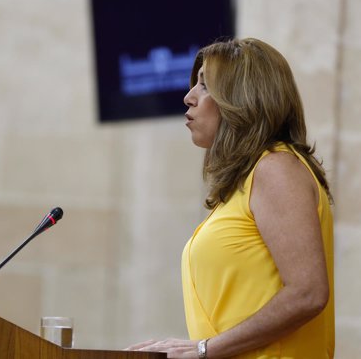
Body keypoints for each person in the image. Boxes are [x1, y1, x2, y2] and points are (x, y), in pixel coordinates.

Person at [129, 38, 334, 358]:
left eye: (205, 86)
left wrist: (204, 349)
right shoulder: (250, 178)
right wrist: (200, 346)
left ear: (244, 99)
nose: (188, 97)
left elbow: (308, 293)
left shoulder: (277, 168)